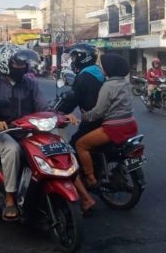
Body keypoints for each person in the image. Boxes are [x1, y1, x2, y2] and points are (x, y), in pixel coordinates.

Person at [0, 46, 49, 221]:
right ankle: (10, 197)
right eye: (18, 63)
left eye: (24, 63)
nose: (23, 66)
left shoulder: (30, 83)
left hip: (27, 130)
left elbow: (43, 107)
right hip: (1, 133)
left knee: (52, 144)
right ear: (6, 63)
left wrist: (59, 116)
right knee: (12, 150)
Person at [76, 54, 138, 209]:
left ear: (110, 68)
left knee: (80, 145)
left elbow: (98, 112)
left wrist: (85, 116)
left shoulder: (107, 86)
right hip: (130, 125)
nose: (101, 68)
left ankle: (90, 178)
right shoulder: (125, 84)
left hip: (114, 128)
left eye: (103, 65)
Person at [57, 43, 105, 212]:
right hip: (105, 118)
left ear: (83, 57)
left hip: (92, 120)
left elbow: (72, 99)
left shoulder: (84, 77)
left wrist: (59, 111)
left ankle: (89, 179)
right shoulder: (99, 72)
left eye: (75, 57)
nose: (73, 61)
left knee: (71, 148)